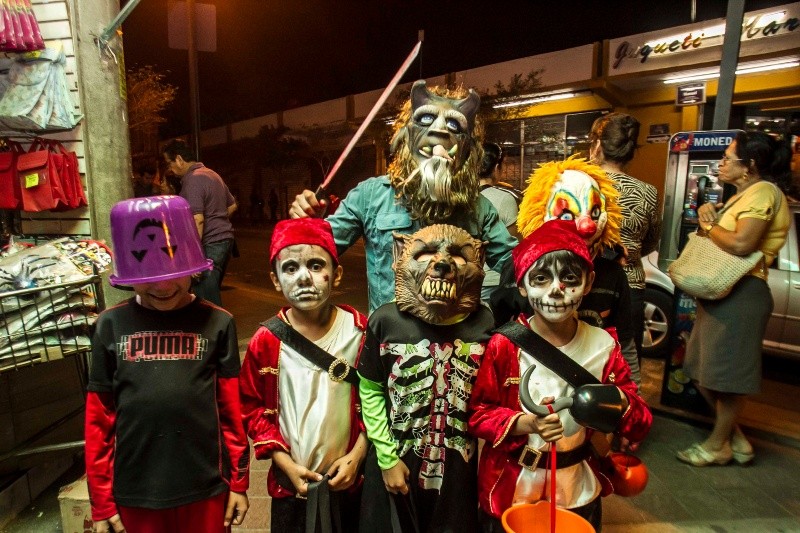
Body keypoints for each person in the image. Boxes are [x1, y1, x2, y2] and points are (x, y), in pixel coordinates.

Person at [469, 219, 652, 532]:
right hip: (514, 486)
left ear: (589, 281)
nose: (555, 290)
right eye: (541, 278)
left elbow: (639, 420)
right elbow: (478, 414)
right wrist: (526, 423)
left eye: (569, 278)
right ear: (523, 285)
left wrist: (617, 403)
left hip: (576, 486)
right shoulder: (505, 345)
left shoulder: (604, 346)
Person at [85, 196, 250, 533]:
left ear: (194, 267)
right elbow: (98, 422)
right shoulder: (109, 326)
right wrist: (102, 502)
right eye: (148, 274)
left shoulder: (218, 323)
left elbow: (233, 413)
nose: (162, 286)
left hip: (206, 488)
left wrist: (238, 483)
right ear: (129, 272)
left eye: (175, 273)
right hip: (136, 493)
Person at [289, 80, 516, 313]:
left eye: (454, 125)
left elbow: (518, 264)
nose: (439, 130)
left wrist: (550, 234)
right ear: (405, 135)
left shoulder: (479, 208)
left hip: (457, 344)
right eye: (426, 119)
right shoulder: (371, 196)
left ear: (469, 147)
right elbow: (313, 255)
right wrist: (307, 225)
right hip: (389, 342)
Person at [358, 224, 494, 532]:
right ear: (399, 256)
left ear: (480, 261)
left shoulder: (484, 323)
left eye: (459, 256)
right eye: (426, 253)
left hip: (459, 470)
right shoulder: (385, 321)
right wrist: (387, 458)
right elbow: (370, 388)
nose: (442, 264)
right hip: (395, 460)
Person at [239, 217, 368, 532]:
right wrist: (284, 464)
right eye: (290, 269)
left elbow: (378, 399)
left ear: (335, 275)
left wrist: (357, 455)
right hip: (291, 485)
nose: (304, 279)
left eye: (315, 265)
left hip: (349, 481)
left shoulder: (359, 332)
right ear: (275, 279)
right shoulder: (266, 341)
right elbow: (251, 407)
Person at [677, 131, 791, 467]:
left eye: (728, 158)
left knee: (727, 379)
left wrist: (710, 227)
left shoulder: (764, 192)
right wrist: (708, 218)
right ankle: (736, 439)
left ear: (750, 165)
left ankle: (717, 446)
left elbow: (742, 244)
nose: (721, 163)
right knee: (699, 370)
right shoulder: (742, 196)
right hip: (723, 296)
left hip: (743, 295)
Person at [490, 156, 642, 386]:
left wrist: (632, 396)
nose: (586, 225)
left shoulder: (612, 274)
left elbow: (626, 345)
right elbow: (501, 333)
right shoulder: (518, 269)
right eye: (567, 215)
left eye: (594, 212)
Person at [589, 113, 661, 359]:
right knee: (625, 359)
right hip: (631, 285)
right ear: (631, 152)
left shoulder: (582, 184)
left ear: (598, 145)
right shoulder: (648, 192)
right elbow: (651, 241)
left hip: (588, 283)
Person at [163, 140, 238, 306]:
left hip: (210, 244)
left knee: (206, 300)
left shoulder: (193, 180)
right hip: (225, 241)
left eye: (170, 163)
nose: (170, 169)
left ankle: (220, 330)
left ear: (179, 159)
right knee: (209, 293)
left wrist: (193, 257)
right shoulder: (212, 174)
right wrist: (217, 218)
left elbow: (198, 219)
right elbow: (232, 206)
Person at [479, 142, 520, 301]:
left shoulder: (461, 198)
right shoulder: (505, 198)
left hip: (466, 278)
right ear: (496, 168)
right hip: (494, 280)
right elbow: (511, 244)